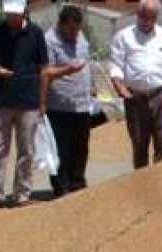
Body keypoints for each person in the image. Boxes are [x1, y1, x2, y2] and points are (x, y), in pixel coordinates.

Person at [0, 0, 49, 209]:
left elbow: (44, 68)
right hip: (1, 100)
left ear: (24, 11)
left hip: (28, 101)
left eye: (15, 14)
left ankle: (22, 194)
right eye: (9, 14)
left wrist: (43, 100)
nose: (12, 18)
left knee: (26, 149)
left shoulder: (36, 33)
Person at [109, 0, 162, 170]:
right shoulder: (123, 37)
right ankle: (142, 184)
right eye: (144, 17)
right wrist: (118, 84)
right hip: (135, 97)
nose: (147, 22)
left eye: (151, 18)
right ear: (138, 14)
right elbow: (116, 65)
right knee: (139, 143)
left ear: (156, 17)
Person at [40, 4, 93, 197]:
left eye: (77, 30)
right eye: (71, 30)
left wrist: (92, 88)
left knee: (81, 146)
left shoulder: (81, 38)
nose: (74, 34)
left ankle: (77, 181)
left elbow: (87, 64)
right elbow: (45, 71)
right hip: (59, 105)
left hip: (82, 103)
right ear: (61, 24)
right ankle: (61, 186)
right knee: (61, 148)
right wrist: (66, 70)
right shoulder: (49, 40)